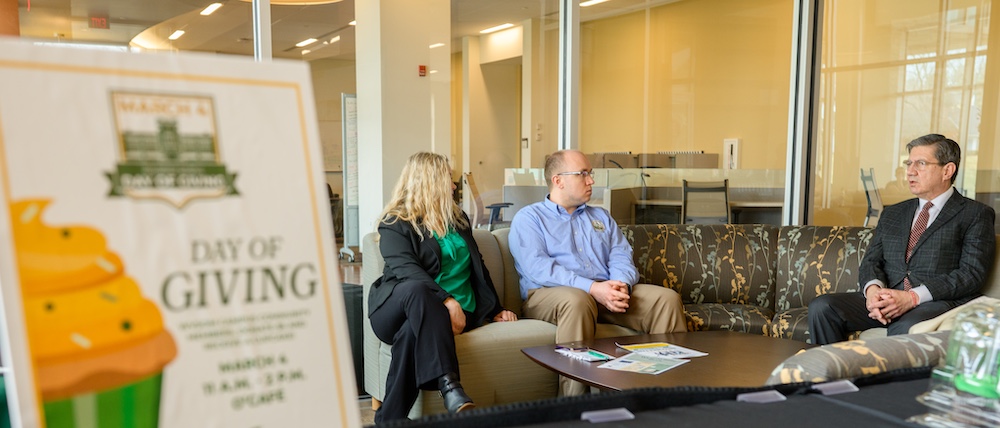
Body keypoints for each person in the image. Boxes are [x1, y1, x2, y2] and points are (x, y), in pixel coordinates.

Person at [508, 149, 686, 396]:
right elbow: (539, 269)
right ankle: (574, 405)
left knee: (665, 300)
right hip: (550, 295)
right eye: (583, 174)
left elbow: (621, 254)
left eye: (590, 174)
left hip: (604, 291)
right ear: (558, 180)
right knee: (577, 300)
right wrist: (592, 288)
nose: (591, 181)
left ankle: (666, 396)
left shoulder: (600, 216)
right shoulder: (529, 218)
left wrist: (619, 284)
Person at [368, 152, 517, 422]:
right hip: (397, 306)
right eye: (448, 178)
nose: (453, 185)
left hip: (457, 312)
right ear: (430, 182)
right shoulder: (395, 223)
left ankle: (389, 421)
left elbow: (478, 267)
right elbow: (406, 271)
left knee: (411, 335)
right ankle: (450, 385)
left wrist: (495, 308)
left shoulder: (458, 220)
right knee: (416, 289)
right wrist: (446, 301)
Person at [808, 134, 996, 345]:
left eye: (921, 163)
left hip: (935, 302)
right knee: (823, 308)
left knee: (905, 326)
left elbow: (971, 274)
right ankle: (831, 374)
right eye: (909, 163)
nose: (910, 171)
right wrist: (873, 292)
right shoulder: (893, 213)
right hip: (889, 296)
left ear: (947, 170)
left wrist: (912, 297)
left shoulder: (975, 213)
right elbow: (872, 261)